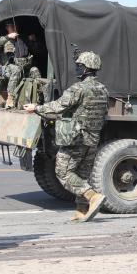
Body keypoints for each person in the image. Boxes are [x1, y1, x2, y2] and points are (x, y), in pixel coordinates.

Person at [23, 51, 108, 222]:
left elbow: (58, 106)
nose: (78, 68)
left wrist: (36, 108)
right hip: (92, 139)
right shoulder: (102, 90)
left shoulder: (79, 89)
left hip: (76, 138)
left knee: (63, 172)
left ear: (86, 68)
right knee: (82, 175)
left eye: (80, 66)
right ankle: (81, 211)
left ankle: (92, 196)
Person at [0, 42, 23, 109]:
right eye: (8, 51)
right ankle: (10, 98)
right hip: (4, 72)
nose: (10, 53)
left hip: (16, 74)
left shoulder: (15, 56)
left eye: (11, 51)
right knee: (15, 69)